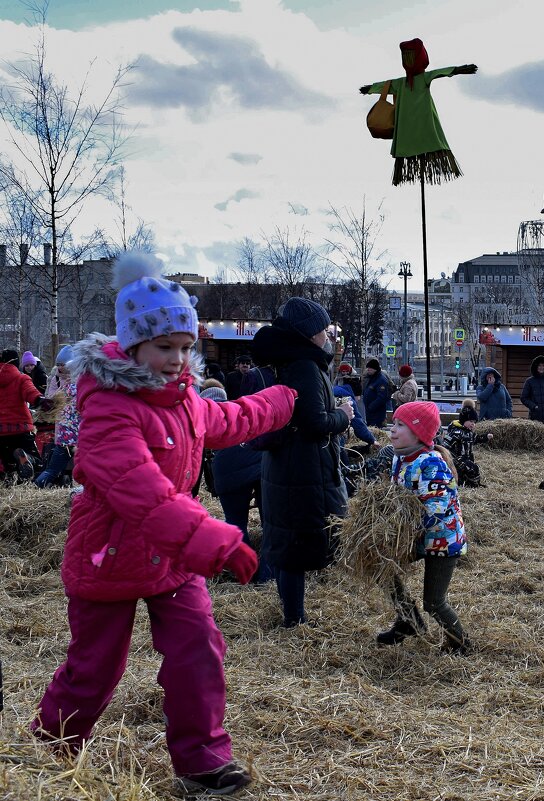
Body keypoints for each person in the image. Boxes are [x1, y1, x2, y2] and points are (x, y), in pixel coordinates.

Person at [31, 252, 296, 797]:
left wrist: (285, 397)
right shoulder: (109, 410)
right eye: (164, 347)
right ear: (132, 346)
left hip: (172, 562)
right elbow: (143, 494)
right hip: (109, 558)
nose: (178, 360)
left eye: (185, 347)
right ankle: (47, 755)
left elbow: (232, 419)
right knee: (95, 669)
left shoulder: (185, 401)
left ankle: (202, 762)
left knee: (199, 648)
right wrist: (220, 541)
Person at [251, 296, 353, 628]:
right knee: (294, 546)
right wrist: (343, 415)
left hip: (282, 465)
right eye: (324, 330)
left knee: (285, 540)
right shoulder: (305, 366)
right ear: (309, 334)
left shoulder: (283, 361)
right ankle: (294, 620)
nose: (328, 336)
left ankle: (291, 614)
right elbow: (314, 423)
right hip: (302, 469)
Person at [376, 401, 470, 654]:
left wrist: (402, 528)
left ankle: (461, 644)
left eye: (401, 425)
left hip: (443, 538)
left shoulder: (431, 463)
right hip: (417, 537)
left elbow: (436, 510)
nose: (392, 430)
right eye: (393, 424)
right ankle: (409, 620)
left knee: (434, 602)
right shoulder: (401, 458)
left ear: (419, 432)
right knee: (382, 566)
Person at [208, 390, 274, 584]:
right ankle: (267, 575)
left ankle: (246, 571)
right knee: (269, 522)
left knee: (236, 522)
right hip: (259, 468)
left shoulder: (203, 421)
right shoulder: (239, 416)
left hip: (227, 472)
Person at [35, 345, 80, 487]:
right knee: (56, 468)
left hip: (70, 435)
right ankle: (40, 485)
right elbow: (51, 399)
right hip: (70, 434)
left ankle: (39, 486)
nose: (60, 368)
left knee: (55, 468)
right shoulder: (62, 381)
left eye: (63, 364)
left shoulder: (78, 382)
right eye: (58, 365)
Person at [0, 348, 43, 481]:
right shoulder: (21, 378)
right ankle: (26, 457)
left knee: (9, 465)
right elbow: (31, 393)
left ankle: (10, 480)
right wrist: (40, 400)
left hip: (1, 432)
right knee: (37, 463)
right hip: (21, 428)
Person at [445, 400, 490, 488]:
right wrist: (451, 458)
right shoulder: (456, 432)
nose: (473, 424)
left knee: (472, 469)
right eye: (471, 421)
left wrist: (486, 437)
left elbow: (475, 438)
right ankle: (472, 485)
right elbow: (446, 445)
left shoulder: (469, 432)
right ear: (463, 420)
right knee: (470, 469)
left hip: (467, 458)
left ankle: (471, 484)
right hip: (458, 459)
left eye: (474, 422)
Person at [520, 355, 544, 424]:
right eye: (539, 365)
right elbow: (523, 398)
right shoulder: (529, 381)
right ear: (536, 367)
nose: (541, 367)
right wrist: (534, 406)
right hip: (535, 418)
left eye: (543, 365)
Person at [361, 358, 392, 427]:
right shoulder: (372, 378)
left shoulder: (381, 380)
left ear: (375, 369)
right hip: (370, 412)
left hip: (376, 413)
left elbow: (382, 397)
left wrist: (371, 406)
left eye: (369, 369)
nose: (368, 370)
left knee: (375, 431)